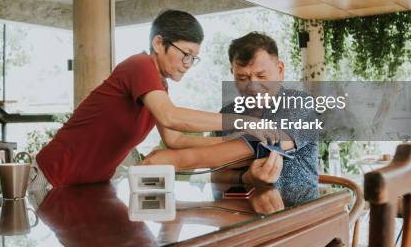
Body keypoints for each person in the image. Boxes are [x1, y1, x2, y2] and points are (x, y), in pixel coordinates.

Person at [35, 10, 272, 187]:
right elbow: (171, 117)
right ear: (159, 43)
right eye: (185, 55)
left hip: (90, 184)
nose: (188, 65)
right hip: (53, 176)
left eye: (193, 58)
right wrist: (246, 123)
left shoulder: (159, 87)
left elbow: (175, 140)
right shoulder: (139, 65)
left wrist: (239, 143)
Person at [141, 32, 318, 188]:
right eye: (242, 78)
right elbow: (218, 172)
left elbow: (261, 145)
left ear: (280, 70)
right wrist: (245, 178)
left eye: (261, 76)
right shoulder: (228, 111)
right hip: (241, 214)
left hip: (301, 215)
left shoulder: (301, 104)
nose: (253, 86)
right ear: (232, 73)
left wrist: (176, 160)